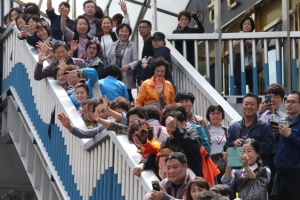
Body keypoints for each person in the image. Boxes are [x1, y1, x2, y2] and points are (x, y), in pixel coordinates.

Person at [224, 93, 275, 166]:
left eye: (252, 104)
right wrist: (234, 143)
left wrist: (251, 143)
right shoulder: (233, 127)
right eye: (246, 104)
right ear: (242, 106)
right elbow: (226, 147)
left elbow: (270, 148)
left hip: (258, 170)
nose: (249, 106)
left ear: (258, 107)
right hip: (237, 168)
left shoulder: (265, 127)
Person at [274, 91, 300, 200]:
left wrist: (289, 135)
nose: (288, 104)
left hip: (296, 174)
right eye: (287, 101)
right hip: (281, 173)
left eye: (293, 102)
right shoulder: (284, 120)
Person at [106, 23, 138, 102]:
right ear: (118, 32)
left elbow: (136, 60)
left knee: (126, 95)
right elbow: (109, 59)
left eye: (126, 31)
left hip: (126, 74)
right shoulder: (113, 44)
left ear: (129, 33)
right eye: (121, 31)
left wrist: (129, 65)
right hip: (114, 74)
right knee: (114, 94)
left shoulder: (132, 45)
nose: (123, 33)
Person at [233, 17, 262, 94]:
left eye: (249, 24)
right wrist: (242, 41)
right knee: (240, 84)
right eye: (245, 24)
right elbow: (235, 49)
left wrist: (251, 45)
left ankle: (254, 100)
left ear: (252, 26)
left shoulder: (256, 37)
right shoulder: (237, 36)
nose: (247, 26)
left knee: (253, 83)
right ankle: (241, 101)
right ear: (242, 26)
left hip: (252, 63)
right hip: (240, 63)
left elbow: (259, 51)